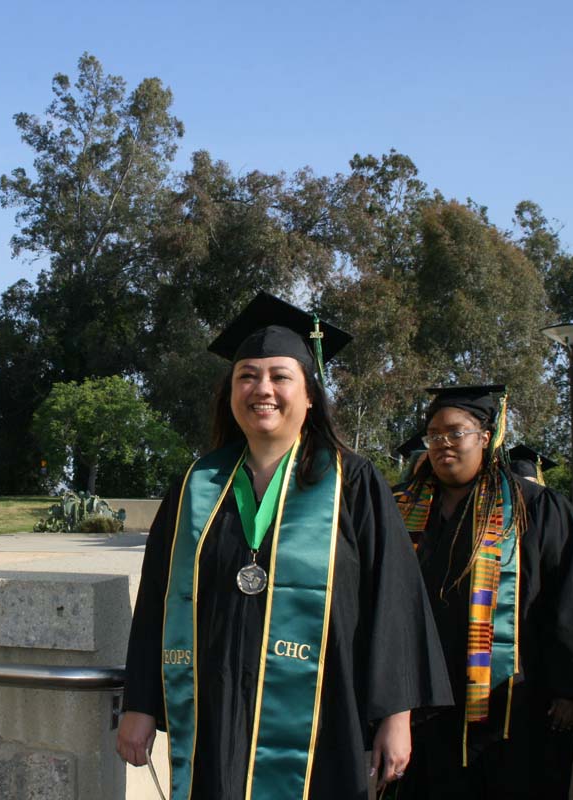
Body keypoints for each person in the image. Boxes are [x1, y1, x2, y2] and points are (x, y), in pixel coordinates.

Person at [116, 292, 452, 800]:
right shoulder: (197, 484)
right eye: (247, 375)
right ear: (230, 392)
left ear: (310, 394)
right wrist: (140, 704)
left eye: (279, 376)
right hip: (216, 706)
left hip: (320, 716)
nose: (262, 389)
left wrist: (395, 716)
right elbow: (158, 600)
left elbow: (395, 601)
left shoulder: (351, 481)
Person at [393, 385, 573, 799]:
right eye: (434, 435)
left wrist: (571, 690)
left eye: (456, 433)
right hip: (422, 700)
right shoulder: (401, 508)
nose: (443, 444)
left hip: (514, 707)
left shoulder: (535, 507)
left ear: (486, 437)